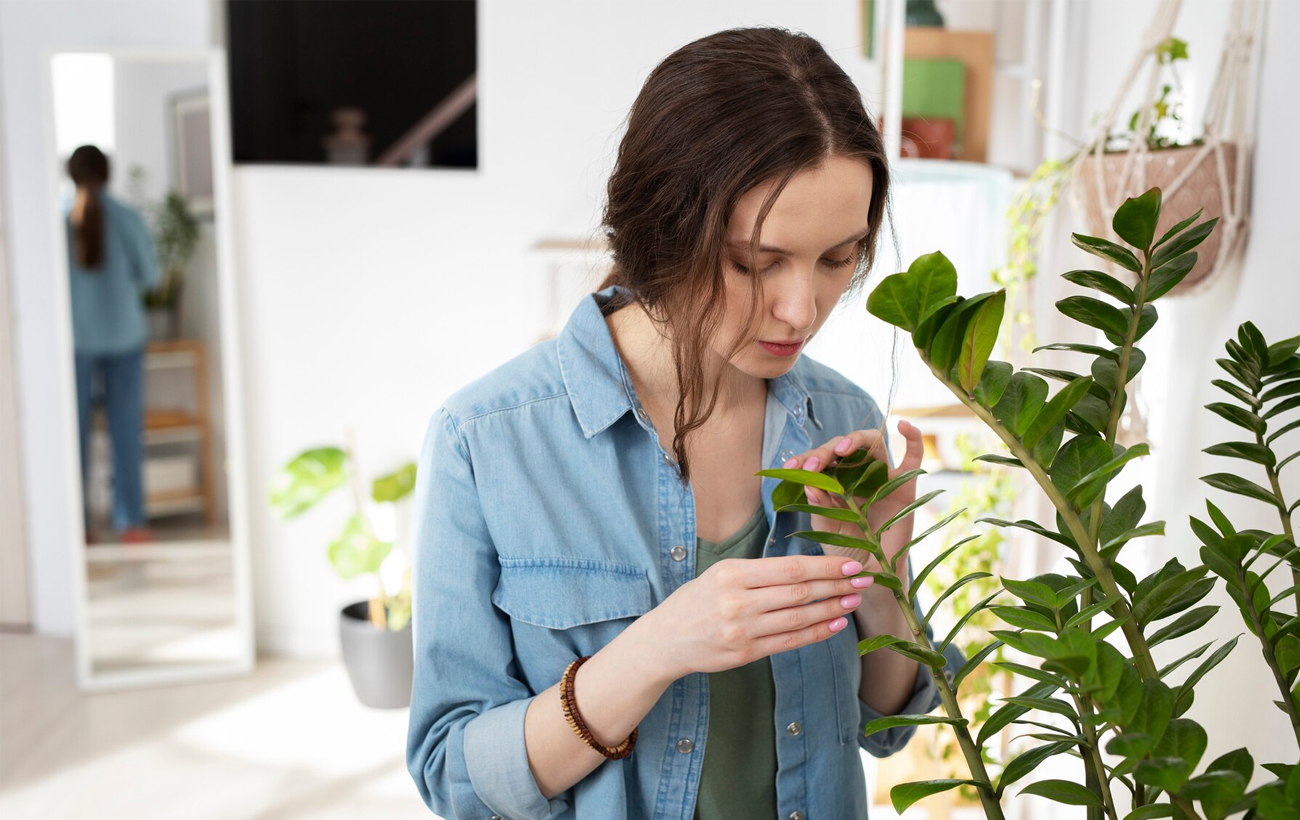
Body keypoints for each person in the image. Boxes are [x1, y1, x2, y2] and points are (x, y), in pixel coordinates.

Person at [407, 27, 964, 820]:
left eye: (838, 258)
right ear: (662, 227)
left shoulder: (841, 420)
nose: (801, 310)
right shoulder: (486, 441)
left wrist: (878, 582)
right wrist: (655, 650)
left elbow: (887, 723)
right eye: (753, 263)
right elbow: (452, 775)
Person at [64, 144, 161, 544]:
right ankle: (131, 522)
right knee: (124, 431)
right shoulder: (127, 218)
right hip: (124, 337)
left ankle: (80, 527)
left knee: (75, 434)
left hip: (75, 340)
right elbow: (151, 276)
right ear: (108, 173)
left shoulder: (57, 218)